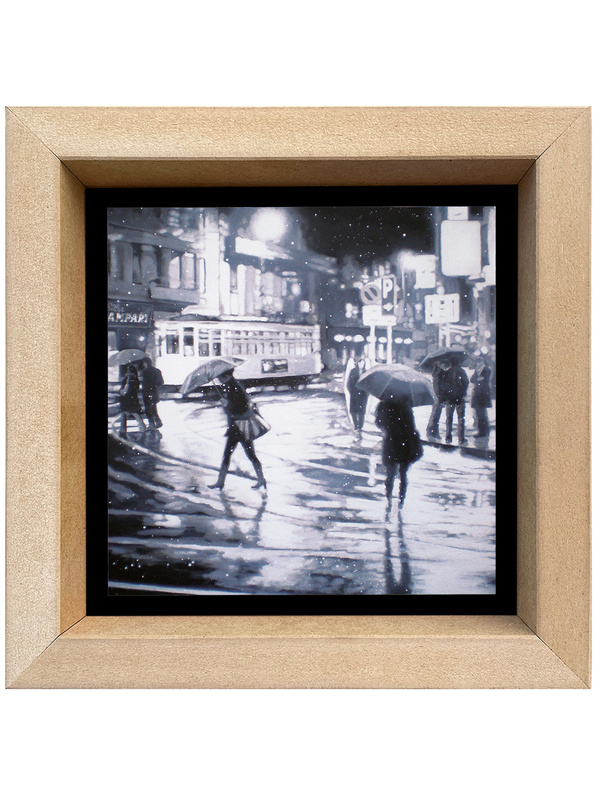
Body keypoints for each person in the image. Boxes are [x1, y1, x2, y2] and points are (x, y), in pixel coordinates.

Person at [209, 370, 267, 491]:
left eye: (220, 377)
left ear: (226, 376)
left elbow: (240, 407)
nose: (219, 380)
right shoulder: (232, 386)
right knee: (241, 454)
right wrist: (227, 405)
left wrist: (226, 405)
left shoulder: (234, 387)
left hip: (240, 428)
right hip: (237, 428)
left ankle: (221, 482)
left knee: (242, 455)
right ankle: (260, 479)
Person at [375, 397, 423, 507]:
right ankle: (401, 499)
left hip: (391, 441)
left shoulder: (384, 404)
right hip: (405, 442)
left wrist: (387, 427)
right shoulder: (406, 405)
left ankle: (388, 498)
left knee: (390, 473)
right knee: (403, 474)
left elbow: (378, 422)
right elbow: (411, 425)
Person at [426, 357, 469, 444]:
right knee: (461, 419)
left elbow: (445, 385)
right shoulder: (461, 371)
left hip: (449, 398)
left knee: (449, 418)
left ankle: (448, 437)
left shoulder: (447, 372)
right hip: (459, 398)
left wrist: (447, 395)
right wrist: (462, 392)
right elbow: (466, 382)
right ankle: (461, 439)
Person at [344, 351, 371, 433]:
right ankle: (356, 425)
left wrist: (366, 393)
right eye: (360, 363)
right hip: (354, 394)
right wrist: (352, 392)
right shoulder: (353, 371)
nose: (361, 364)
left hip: (363, 395)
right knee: (353, 411)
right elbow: (348, 383)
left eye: (363, 363)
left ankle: (360, 426)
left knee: (361, 411)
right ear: (357, 363)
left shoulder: (366, 372)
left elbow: (369, 384)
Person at [118, 364, 146, 436]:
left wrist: (126, 384)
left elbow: (124, 390)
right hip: (133, 400)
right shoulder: (136, 380)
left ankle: (122, 430)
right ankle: (142, 427)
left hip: (126, 400)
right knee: (135, 413)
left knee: (125, 414)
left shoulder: (127, 379)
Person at [139, 358, 164, 430]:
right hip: (154, 392)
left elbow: (143, 383)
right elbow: (161, 382)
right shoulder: (157, 371)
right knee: (153, 408)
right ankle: (157, 422)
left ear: (145, 363)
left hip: (146, 392)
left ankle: (152, 423)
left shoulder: (144, 372)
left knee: (148, 409)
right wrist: (154, 386)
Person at [470, 356, 492, 437]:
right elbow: (472, 380)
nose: (478, 363)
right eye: (477, 362)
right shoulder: (477, 370)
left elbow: (484, 380)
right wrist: (478, 378)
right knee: (479, 413)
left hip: (483, 395)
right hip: (477, 395)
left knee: (482, 414)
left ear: (482, 362)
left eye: (479, 362)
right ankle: (482, 431)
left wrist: (478, 378)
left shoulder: (486, 369)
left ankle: (483, 432)